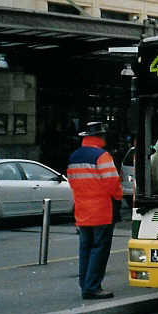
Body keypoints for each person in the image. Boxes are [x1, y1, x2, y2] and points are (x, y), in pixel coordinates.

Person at [67, 121, 123, 300]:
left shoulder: (74, 156)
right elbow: (112, 183)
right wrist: (119, 197)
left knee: (86, 249)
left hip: (82, 211)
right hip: (102, 211)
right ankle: (92, 287)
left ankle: (85, 284)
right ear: (99, 137)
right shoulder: (102, 156)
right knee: (100, 249)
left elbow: (72, 182)